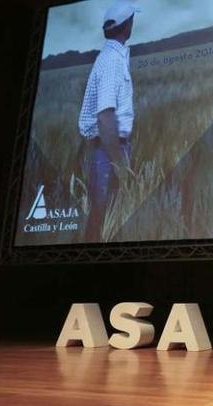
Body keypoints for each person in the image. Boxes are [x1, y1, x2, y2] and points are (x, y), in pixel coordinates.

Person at [78, 1, 140, 242]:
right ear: (128, 25)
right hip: (108, 150)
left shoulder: (113, 57)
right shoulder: (111, 61)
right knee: (102, 219)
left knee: (110, 217)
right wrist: (120, 163)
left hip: (109, 148)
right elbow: (105, 117)